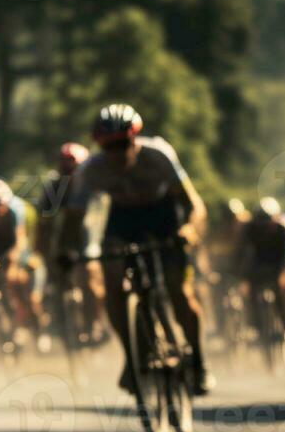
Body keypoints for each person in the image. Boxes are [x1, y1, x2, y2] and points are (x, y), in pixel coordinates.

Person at [58, 104, 214, 395]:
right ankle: (132, 357)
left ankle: (198, 361)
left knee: (177, 290)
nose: (117, 153)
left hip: (164, 217)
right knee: (112, 281)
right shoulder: (91, 170)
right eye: (110, 147)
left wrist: (189, 230)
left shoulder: (158, 155)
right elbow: (72, 219)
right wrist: (65, 252)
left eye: (123, 144)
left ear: (134, 139)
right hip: (123, 219)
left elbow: (193, 204)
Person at [35, 142, 103, 344]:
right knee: (56, 279)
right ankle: (60, 323)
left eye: (73, 167)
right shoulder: (53, 187)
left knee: (90, 278)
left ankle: (94, 325)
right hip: (65, 239)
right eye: (64, 167)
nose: (69, 171)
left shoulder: (95, 184)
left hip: (91, 237)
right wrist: (41, 250)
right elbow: (43, 222)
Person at [0, 177, 47, 353]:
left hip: (24, 253)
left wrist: (13, 262)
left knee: (23, 288)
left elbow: (21, 242)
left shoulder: (16, 210)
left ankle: (38, 330)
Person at [235, 197, 285, 347]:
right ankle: (256, 327)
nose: (263, 224)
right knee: (250, 292)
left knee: (281, 289)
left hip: (278, 264)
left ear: (275, 218)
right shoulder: (250, 229)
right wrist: (241, 276)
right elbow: (241, 252)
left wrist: (282, 273)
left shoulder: (282, 231)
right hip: (258, 265)